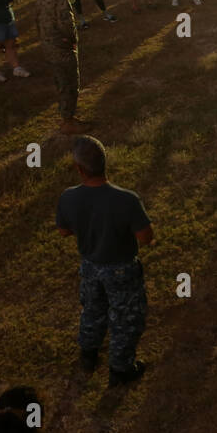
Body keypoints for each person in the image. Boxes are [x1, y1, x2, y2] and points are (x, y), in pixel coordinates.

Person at [56, 136, 153, 387]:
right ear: (105, 163)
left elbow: (64, 231)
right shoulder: (127, 200)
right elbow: (145, 238)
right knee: (126, 319)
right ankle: (120, 369)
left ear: (79, 168)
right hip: (122, 269)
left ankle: (88, 354)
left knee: (92, 309)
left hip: (89, 266)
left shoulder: (68, 198)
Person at [36, 0, 85, 135]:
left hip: (48, 46)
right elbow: (67, 25)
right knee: (70, 84)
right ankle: (68, 120)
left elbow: (37, 21)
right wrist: (73, 41)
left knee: (60, 83)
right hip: (63, 48)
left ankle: (66, 117)